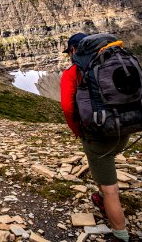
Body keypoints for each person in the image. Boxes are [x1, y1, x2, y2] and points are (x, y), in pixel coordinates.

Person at [60, 33, 130, 242]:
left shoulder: (74, 72)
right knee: (104, 168)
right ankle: (101, 198)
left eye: (69, 52)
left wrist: (78, 131)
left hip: (98, 136)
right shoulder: (113, 61)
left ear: (74, 49)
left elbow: (67, 107)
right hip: (124, 129)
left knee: (111, 189)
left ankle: (121, 234)